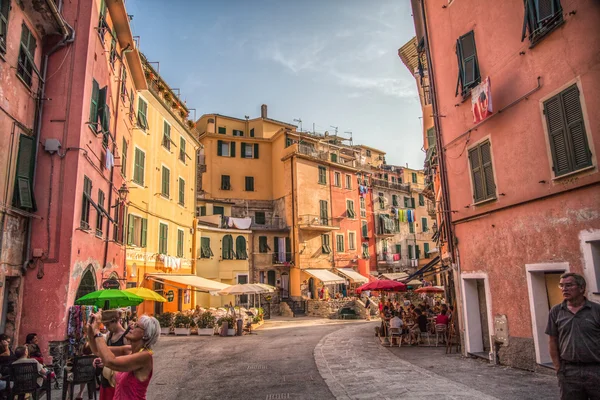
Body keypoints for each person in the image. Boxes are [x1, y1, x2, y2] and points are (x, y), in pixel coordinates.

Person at [546, 273, 600, 400]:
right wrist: (558, 368)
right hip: (569, 371)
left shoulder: (596, 310)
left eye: (569, 285)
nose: (564, 289)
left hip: (596, 369)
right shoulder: (556, 311)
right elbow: (553, 341)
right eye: (562, 286)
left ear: (581, 288)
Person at [87, 312, 160, 400]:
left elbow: (110, 361)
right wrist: (91, 330)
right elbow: (96, 350)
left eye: (136, 326)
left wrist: (97, 331)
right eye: (134, 324)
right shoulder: (129, 350)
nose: (131, 326)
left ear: (145, 335)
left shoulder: (145, 356)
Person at [97, 310, 130, 400]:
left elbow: (128, 360)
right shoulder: (109, 336)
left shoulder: (126, 337)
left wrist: (109, 362)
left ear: (116, 321)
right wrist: (101, 360)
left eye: (108, 325)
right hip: (106, 378)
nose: (107, 328)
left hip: (117, 380)